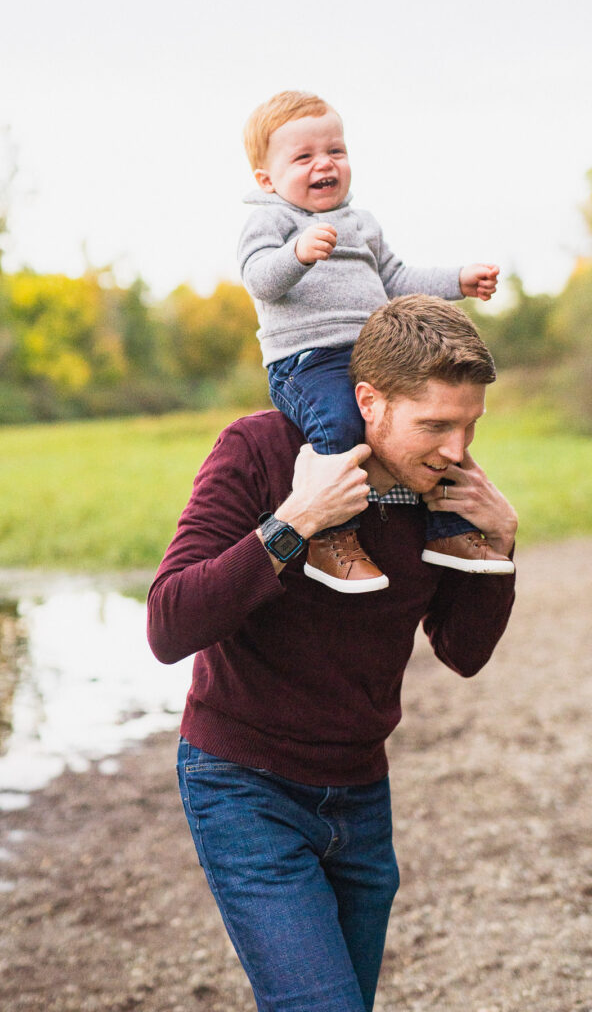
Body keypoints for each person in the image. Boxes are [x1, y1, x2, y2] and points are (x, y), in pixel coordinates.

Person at [147, 295, 518, 1012]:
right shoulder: (258, 450)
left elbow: (463, 651)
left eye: (470, 424)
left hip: (362, 796)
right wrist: (297, 522)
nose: (457, 450)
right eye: (435, 425)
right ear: (369, 402)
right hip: (244, 788)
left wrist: (500, 547)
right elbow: (168, 625)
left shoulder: (439, 491)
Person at [238, 89, 513, 593]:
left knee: (437, 437)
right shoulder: (271, 220)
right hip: (307, 362)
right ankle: (330, 538)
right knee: (341, 424)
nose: (325, 164)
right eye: (304, 157)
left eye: (335, 151)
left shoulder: (361, 222)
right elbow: (258, 278)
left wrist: (458, 280)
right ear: (267, 179)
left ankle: (450, 532)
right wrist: (296, 254)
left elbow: (398, 280)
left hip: (374, 357)